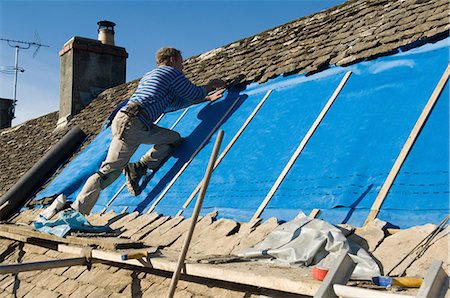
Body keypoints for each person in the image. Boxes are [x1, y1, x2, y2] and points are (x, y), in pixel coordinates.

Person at [70, 47, 225, 215]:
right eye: (181, 60)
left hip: (138, 122)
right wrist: (209, 86)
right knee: (110, 171)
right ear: (172, 59)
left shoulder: (151, 76)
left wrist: (205, 97)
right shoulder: (170, 72)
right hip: (132, 122)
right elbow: (191, 92)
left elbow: (173, 103)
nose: (183, 65)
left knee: (173, 138)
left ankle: (139, 167)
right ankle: (77, 211)